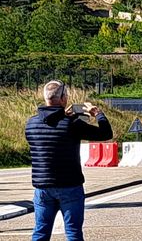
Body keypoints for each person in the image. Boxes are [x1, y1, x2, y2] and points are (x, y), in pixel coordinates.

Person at [25, 80, 113, 241]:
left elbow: (49, 132)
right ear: (63, 98)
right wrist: (98, 113)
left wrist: (60, 115)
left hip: (42, 187)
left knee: (40, 232)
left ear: (45, 98)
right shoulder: (72, 124)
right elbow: (105, 134)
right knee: (73, 232)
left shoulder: (31, 123)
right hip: (70, 185)